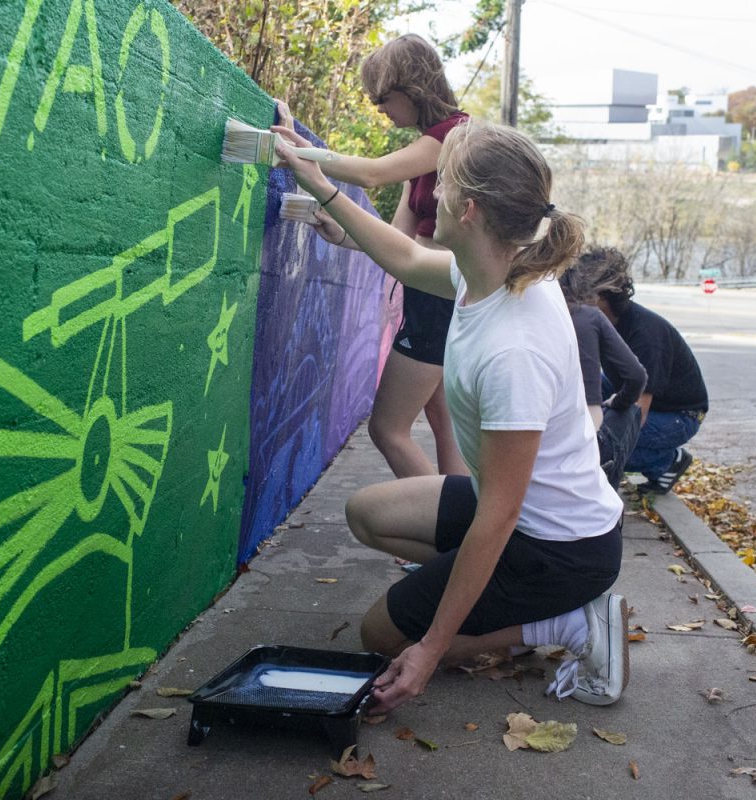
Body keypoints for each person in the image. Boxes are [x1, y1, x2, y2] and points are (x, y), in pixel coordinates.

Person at [272, 119, 629, 714]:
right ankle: (489, 599)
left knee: (383, 639)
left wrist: (433, 646)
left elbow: (497, 517)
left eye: (439, 184)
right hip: (529, 520)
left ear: (468, 209)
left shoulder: (516, 349)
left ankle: (570, 625)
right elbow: (409, 258)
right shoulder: (489, 269)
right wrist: (324, 186)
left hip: (560, 549)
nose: (429, 195)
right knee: (368, 513)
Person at [276, 33, 467, 479]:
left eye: (383, 98)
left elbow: (373, 173)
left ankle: (438, 525)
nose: (380, 110)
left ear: (412, 87)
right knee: (444, 424)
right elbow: (395, 238)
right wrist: (339, 232)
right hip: (431, 296)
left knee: (388, 430)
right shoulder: (425, 153)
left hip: (440, 301)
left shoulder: (454, 136)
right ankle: (456, 531)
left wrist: (299, 152)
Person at [571, 247, 709, 494]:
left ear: (604, 296)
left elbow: (638, 416)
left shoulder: (646, 335)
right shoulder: (599, 320)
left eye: (582, 294)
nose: (575, 300)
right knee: (579, 406)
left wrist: (595, 429)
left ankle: (668, 461)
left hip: (679, 415)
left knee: (603, 446)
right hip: (626, 387)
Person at [558, 268, 647, 488]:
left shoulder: (527, 315)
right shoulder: (588, 316)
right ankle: (606, 483)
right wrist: (617, 401)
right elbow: (636, 376)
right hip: (586, 439)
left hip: (540, 440)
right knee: (630, 410)